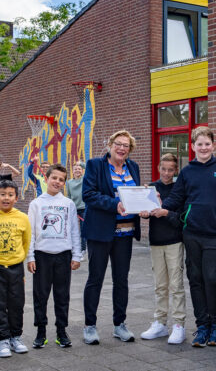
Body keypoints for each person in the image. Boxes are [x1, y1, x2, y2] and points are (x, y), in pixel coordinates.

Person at [155, 126, 216, 347]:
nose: (203, 147)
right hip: (192, 234)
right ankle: (202, 327)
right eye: (199, 144)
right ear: (193, 146)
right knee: (195, 280)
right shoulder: (187, 171)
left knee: (213, 280)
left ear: (213, 145)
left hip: (215, 236)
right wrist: (156, 206)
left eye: (207, 144)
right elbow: (176, 199)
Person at [81, 130, 141, 345]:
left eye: (126, 145)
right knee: (95, 279)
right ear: (110, 144)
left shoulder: (133, 167)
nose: (122, 148)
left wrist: (144, 206)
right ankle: (89, 326)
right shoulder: (95, 165)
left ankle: (119, 325)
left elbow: (136, 194)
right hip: (100, 232)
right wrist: (114, 204)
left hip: (125, 232)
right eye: (118, 143)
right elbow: (88, 194)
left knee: (121, 280)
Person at [27, 163, 82, 349]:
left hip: (63, 256)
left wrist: (77, 255)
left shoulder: (68, 204)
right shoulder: (36, 203)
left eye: (61, 179)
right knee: (40, 296)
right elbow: (31, 233)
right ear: (47, 178)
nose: (57, 182)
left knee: (62, 295)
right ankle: (41, 332)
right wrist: (30, 257)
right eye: (54, 178)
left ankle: (61, 331)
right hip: (42, 256)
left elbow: (75, 230)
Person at [0, 180, 31, 358]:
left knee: (17, 303)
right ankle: (3, 338)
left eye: (10, 195)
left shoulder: (22, 218)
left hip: (16, 267)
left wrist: (19, 259)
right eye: (2, 194)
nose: (6, 198)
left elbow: (26, 242)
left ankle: (16, 337)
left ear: (16, 198)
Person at [139, 153, 186, 344]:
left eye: (170, 170)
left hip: (174, 241)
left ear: (176, 170)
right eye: (163, 169)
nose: (166, 173)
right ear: (158, 167)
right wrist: (142, 212)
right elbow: (146, 212)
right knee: (160, 286)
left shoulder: (179, 190)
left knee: (176, 285)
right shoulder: (150, 188)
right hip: (156, 242)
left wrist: (165, 212)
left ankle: (179, 324)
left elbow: (181, 218)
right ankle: (160, 322)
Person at [65, 160, 87, 254]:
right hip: (73, 209)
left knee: (83, 230)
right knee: (71, 229)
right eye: (75, 169)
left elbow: (88, 168)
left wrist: (80, 163)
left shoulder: (84, 180)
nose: (77, 170)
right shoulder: (69, 182)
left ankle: (83, 249)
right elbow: (69, 196)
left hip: (83, 208)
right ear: (72, 171)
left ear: (82, 171)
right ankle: (72, 247)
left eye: (79, 169)